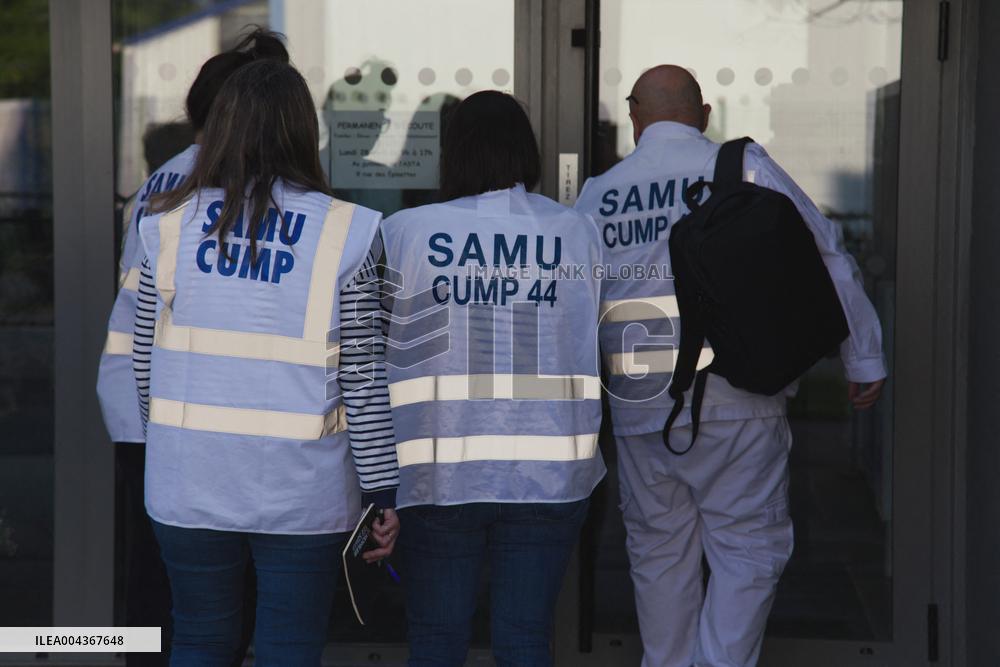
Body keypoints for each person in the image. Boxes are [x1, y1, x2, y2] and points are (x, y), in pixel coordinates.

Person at [574, 65, 887, 667]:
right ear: (704, 114)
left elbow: (576, 303)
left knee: (659, 555)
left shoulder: (598, 193)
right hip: (736, 397)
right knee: (747, 550)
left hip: (640, 410)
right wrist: (863, 354)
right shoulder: (741, 167)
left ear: (635, 116)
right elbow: (824, 251)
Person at [132, 59, 400, 666]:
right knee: (289, 647)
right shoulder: (347, 231)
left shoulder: (166, 225)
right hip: (303, 489)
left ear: (222, 127)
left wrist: (168, 447)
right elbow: (362, 375)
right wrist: (381, 490)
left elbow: (145, 363)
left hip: (187, 480)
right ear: (304, 131)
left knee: (200, 638)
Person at [380, 90, 606, 666]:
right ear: (526, 152)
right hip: (549, 472)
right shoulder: (575, 232)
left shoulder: (404, 232)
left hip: (438, 472)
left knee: (436, 637)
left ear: (452, 153)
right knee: (525, 637)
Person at [95, 27, 288, 667]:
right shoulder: (212, 187)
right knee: (201, 584)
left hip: (149, 407)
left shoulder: (168, 180)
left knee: (161, 572)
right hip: (178, 408)